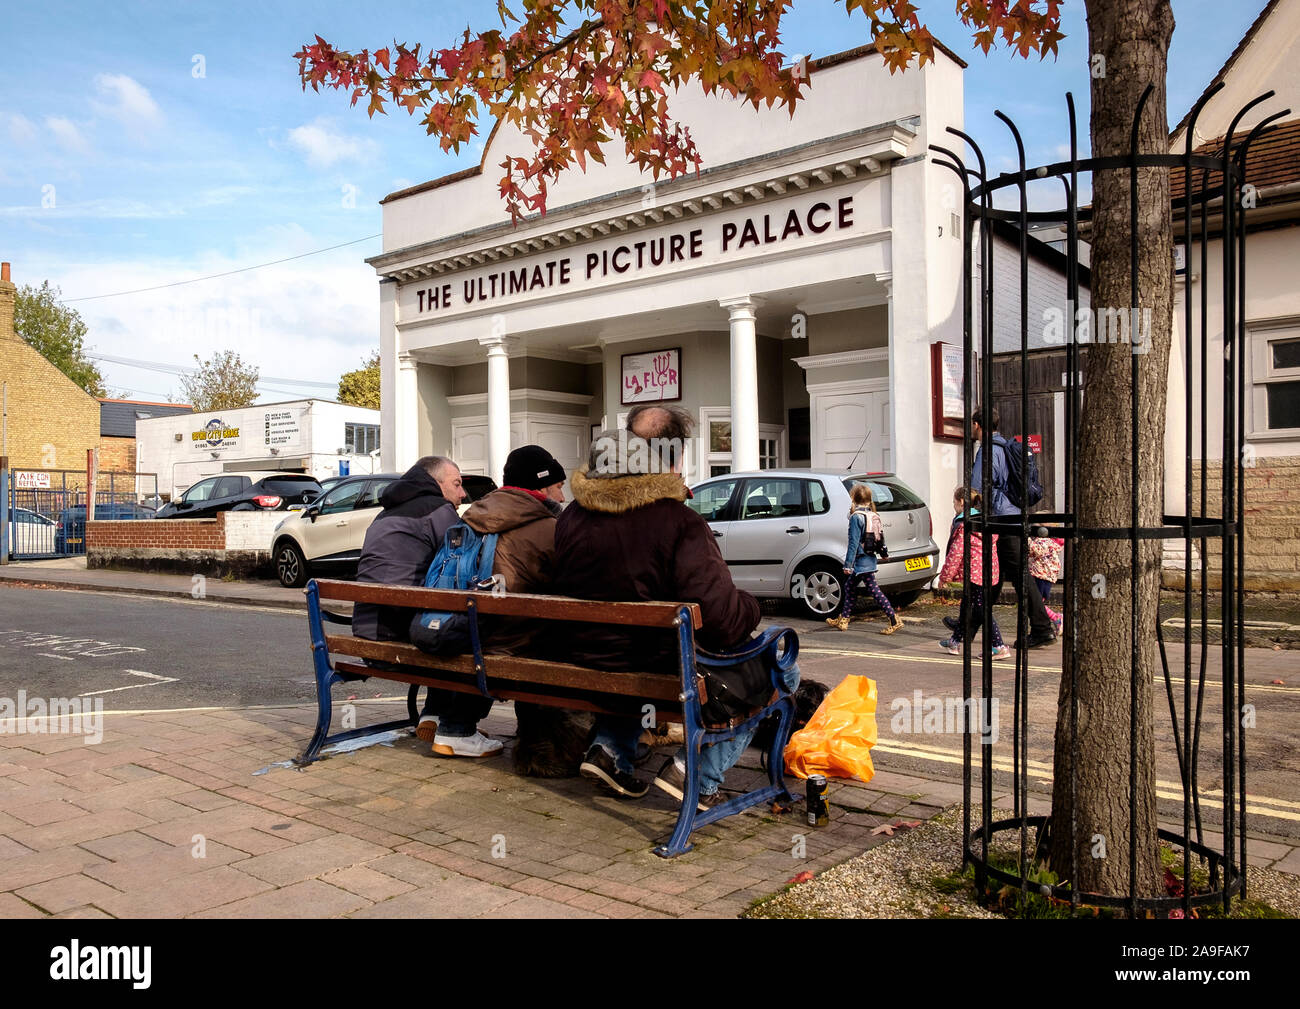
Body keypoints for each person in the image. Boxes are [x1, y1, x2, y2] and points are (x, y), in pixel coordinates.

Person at [552, 406, 798, 806]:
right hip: (658, 664)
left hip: (586, 657)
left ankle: (610, 750)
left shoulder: (571, 517)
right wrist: (751, 606)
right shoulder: (677, 521)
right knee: (781, 666)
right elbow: (721, 621)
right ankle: (693, 775)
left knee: (632, 653)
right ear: (672, 457)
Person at [353, 455, 502, 758]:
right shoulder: (438, 512)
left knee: (441, 624)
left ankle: (433, 715)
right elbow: (462, 567)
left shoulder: (386, 513)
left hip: (367, 630)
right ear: (435, 484)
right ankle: (456, 728)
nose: (463, 495)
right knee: (465, 634)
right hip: (396, 632)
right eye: (457, 485)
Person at [970, 404, 1056, 649]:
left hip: (1000, 520)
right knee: (993, 579)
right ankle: (966, 627)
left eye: (973, 425)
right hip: (1015, 516)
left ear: (977, 425)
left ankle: (1041, 628)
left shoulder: (987, 451)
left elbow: (977, 488)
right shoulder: (1007, 447)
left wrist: (973, 512)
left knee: (1017, 577)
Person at [937, 486, 1009, 660]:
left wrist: (944, 577)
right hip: (989, 572)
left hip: (974, 574)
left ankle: (998, 646)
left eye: (954, 503)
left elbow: (956, 554)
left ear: (961, 502)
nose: (954, 506)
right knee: (966, 606)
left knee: (980, 610)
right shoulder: (985, 522)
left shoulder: (964, 526)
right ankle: (955, 641)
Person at [826, 482, 903, 634]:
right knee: (849, 587)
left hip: (861, 561)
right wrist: (884, 554)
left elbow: (853, 543)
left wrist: (848, 565)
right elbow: (880, 537)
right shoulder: (874, 515)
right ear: (869, 499)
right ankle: (844, 620)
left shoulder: (856, 517)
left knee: (874, 590)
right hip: (870, 558)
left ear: (853, 498)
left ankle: (894, 619)